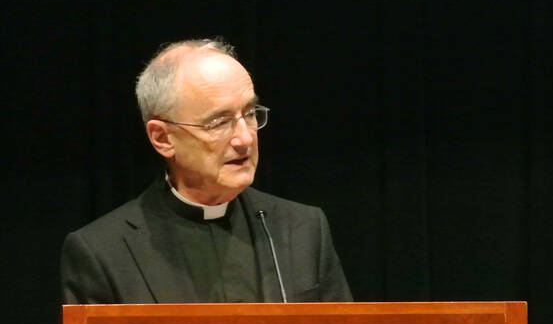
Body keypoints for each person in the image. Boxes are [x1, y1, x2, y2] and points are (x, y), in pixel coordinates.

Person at [60, 38, 352, 304]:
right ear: (162, 138)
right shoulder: (103, 252)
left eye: (249, 114)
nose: (245, 138)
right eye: (218, 122)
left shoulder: (304, 229)